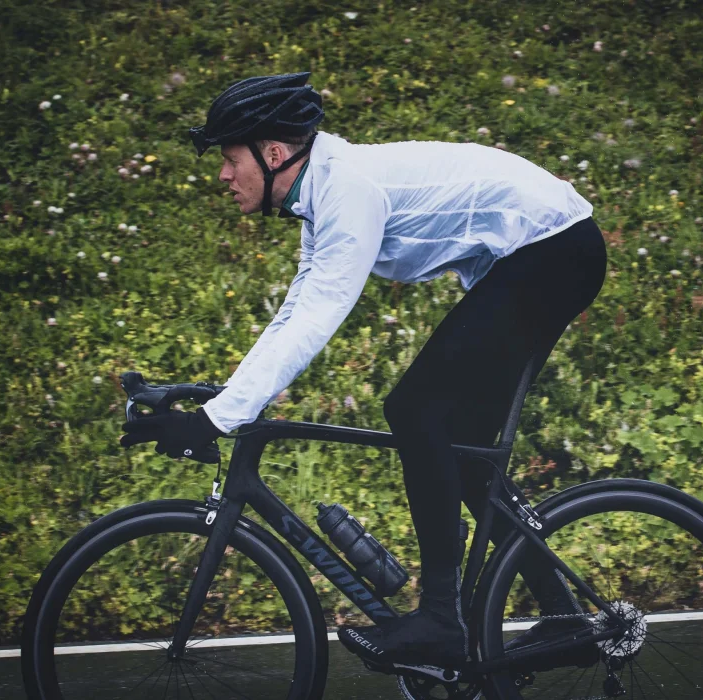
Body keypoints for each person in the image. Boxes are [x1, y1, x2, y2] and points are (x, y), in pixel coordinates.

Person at [119, 72, 607, 671]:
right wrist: (222, 402)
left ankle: (441, 621)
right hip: (534, 257)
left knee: (417, 408)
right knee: (460, 448)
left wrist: (216, 419)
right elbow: (296, 309)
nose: (223, 175)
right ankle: (564, 621)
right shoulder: (323, 193)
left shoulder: (347, 189)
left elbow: (319, 313)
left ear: (273, 154)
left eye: (229, 159)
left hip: (555, 252)